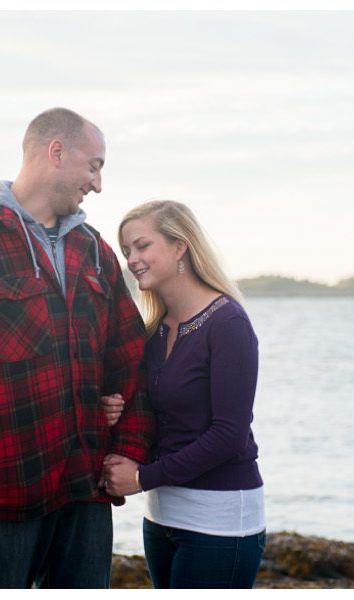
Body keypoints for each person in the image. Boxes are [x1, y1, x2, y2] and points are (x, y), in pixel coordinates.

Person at [0, 107, 155, 589]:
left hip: (86, 488)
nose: (98, 184)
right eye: (94, 165)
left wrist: (127, 450)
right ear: (56, 152)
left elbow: (129, 356)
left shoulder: (94, 251)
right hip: (2, 492)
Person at [103, 200, 265, 589]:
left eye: (142, 245)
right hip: (160, 517)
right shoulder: (155, 329)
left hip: (220, 521)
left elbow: (228, 436)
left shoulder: (228, 322)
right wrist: (112, 409)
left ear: (180, 247)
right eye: (127, 250)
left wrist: (142, 477)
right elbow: (157, 415)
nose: (132, 259)